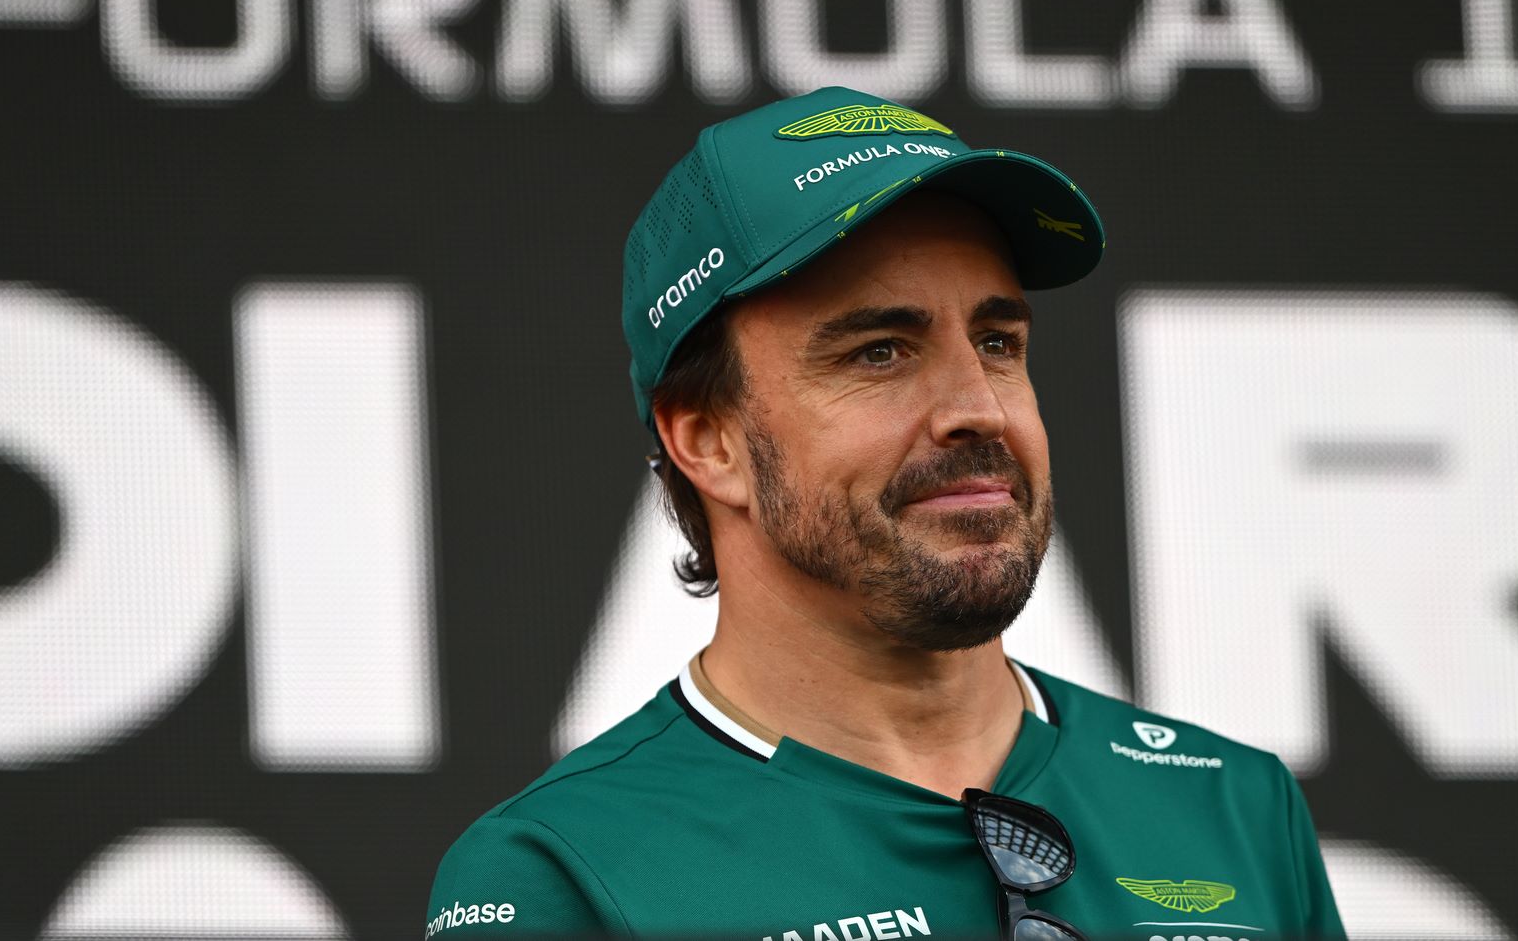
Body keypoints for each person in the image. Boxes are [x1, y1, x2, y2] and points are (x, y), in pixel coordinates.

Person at [426, 87, 1345, 941]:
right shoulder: (559, 874)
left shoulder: (1236, 805)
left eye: (998, 341)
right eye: (879, 352)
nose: (979, 408)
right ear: (709, 441)